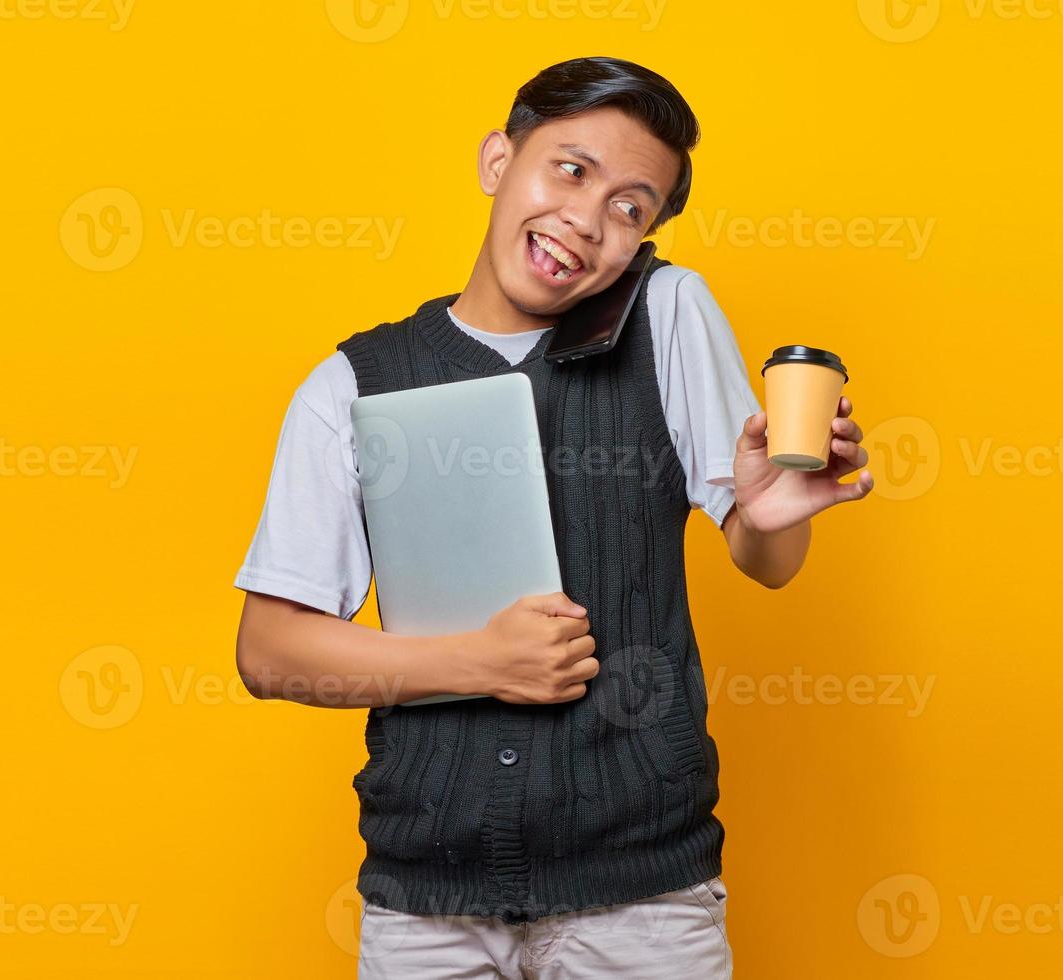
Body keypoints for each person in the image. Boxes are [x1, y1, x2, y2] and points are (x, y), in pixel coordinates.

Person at [232, 56, 873, 979]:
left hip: (643, 899)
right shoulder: (352, 384)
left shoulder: (668, 311)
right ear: (499, 159)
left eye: (630, 207)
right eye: (569, 170)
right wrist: (477, 662)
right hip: (425, 902)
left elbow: (765, 559)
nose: (586, 219)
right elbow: (269, 653)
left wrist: (770, 515)